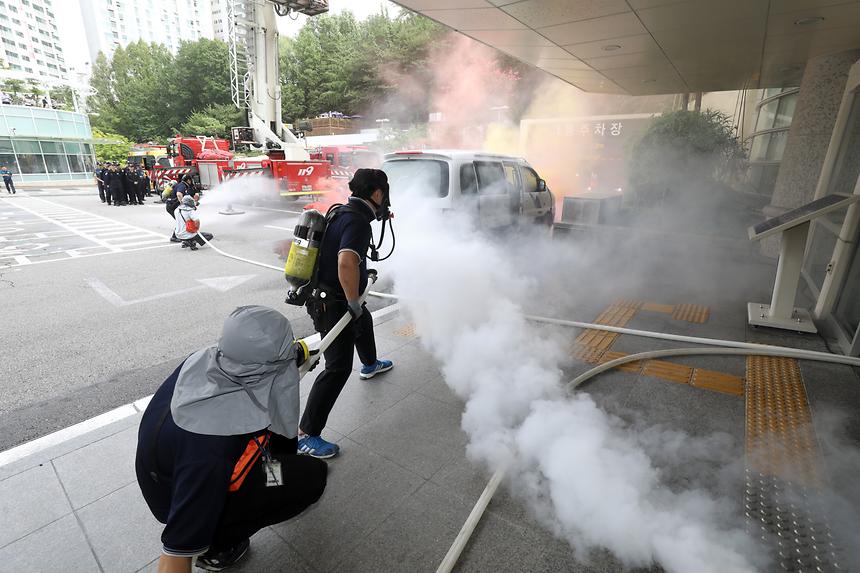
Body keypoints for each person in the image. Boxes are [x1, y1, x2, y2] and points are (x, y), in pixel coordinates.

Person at [136, 306, 327, 572]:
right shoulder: (212, 449)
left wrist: (296, 356)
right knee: (312, 475)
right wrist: (192, 541)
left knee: (272, 457)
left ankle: (235, 508)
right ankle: (217, 546)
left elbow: (272, 361)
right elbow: (174, 555)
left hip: (165, 470)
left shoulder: (204, 360)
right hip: (180, 495)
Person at [297, 168, 394, 459]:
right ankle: (307, 434)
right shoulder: (356, 221)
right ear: (377, 193)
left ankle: (370, 363)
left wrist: (357, 297)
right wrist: (352, 299)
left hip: (327, 295)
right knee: (337, 367)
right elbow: (346, 264)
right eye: (385, 194)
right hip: (332, 303)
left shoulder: (342, 211)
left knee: (363, 320)